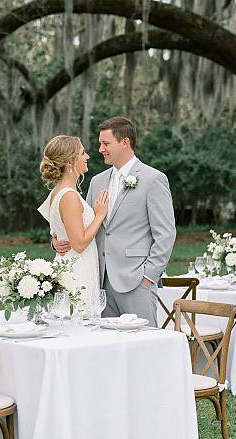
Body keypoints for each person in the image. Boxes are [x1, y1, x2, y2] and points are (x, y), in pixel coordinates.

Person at [53, 116, 176, 327]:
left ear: (125, 142)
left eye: (106, 143)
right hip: (99, 282)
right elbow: (83, 224)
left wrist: (148, 277)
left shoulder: (153, 179)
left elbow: (165, 233)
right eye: (100, 143)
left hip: (136, 281)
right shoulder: (97, 181)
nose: (100, 149)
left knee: (143, 346)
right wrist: (58, 240)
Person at [37, 135, 109, 314]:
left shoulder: (57, 192)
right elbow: (79, 243)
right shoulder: (69, 196)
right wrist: (99, 215)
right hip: (77, 272)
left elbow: (58, 230)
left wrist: (55, 240)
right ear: (70, 162)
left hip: (69, 265)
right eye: (82, 153)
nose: (88, 157)